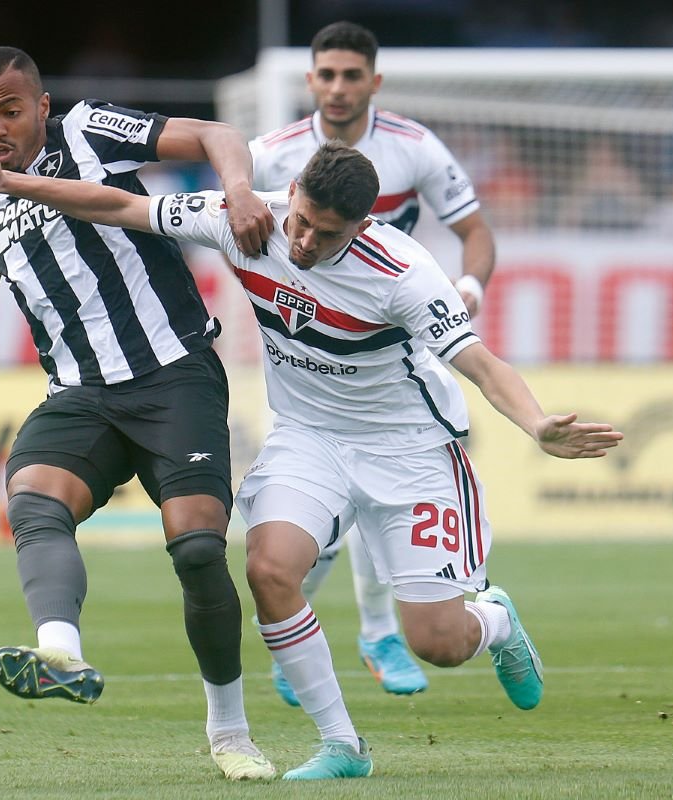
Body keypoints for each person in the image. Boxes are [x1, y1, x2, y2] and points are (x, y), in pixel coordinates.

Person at [0, 140, 624, 780]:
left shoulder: (405, 275)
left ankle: (497, 621)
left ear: (364, 225)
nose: (303, 243)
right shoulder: (247, 218)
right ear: (292, 192)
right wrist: (13, 184)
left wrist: (537, 424)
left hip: (409, 450)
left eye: (327, 235)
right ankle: (342, 744)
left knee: (437, 643)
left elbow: (480, 361)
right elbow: (119, 205)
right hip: (309, 436)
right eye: (301, 222)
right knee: (269, 569)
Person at [0, 46, 277, 782]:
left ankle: (230, 733)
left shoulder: (91, 131)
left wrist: (237, 189)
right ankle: (59, 652)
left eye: (9, 109)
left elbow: (215, 136)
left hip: (174, 375)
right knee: (33, 499)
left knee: (199, 551)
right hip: (80, 392)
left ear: (41, 107)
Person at [247, 20, 499, 702]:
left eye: (351, 75)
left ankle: (382, 630)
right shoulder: (272, 154)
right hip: (309, 337)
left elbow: (474, 229)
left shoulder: (413, 148)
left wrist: (467, 287)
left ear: (374, 83)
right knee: (321, 500)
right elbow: (232, 216)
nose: (337, 88)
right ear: (309, 82)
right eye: (325, 75)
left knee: (376, 476)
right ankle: (327, 630)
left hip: (396, 330)